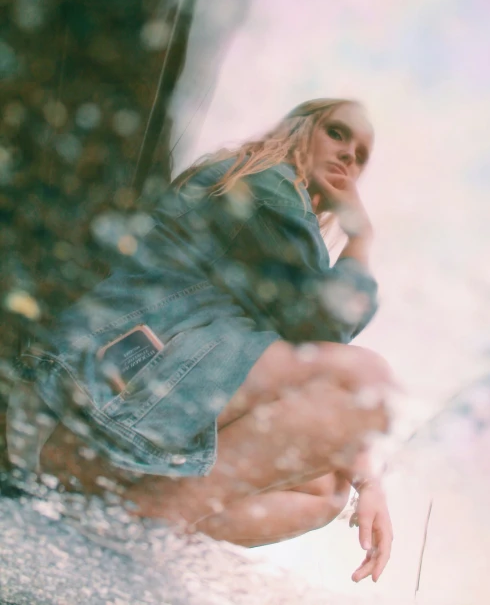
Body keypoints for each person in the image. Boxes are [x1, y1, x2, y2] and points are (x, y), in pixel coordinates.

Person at [8, 97, 394, 584]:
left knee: (328, 491)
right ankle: (153, 520)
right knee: (366, 378)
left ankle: (147, 521)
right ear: (301, 130)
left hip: (105, 425)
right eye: (337, 133)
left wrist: (368, 481)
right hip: (89, 406)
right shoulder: (266, 184)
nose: (348, 157)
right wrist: (360, 236)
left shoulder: (272, 221)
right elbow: (329, 329)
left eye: (360, 155)